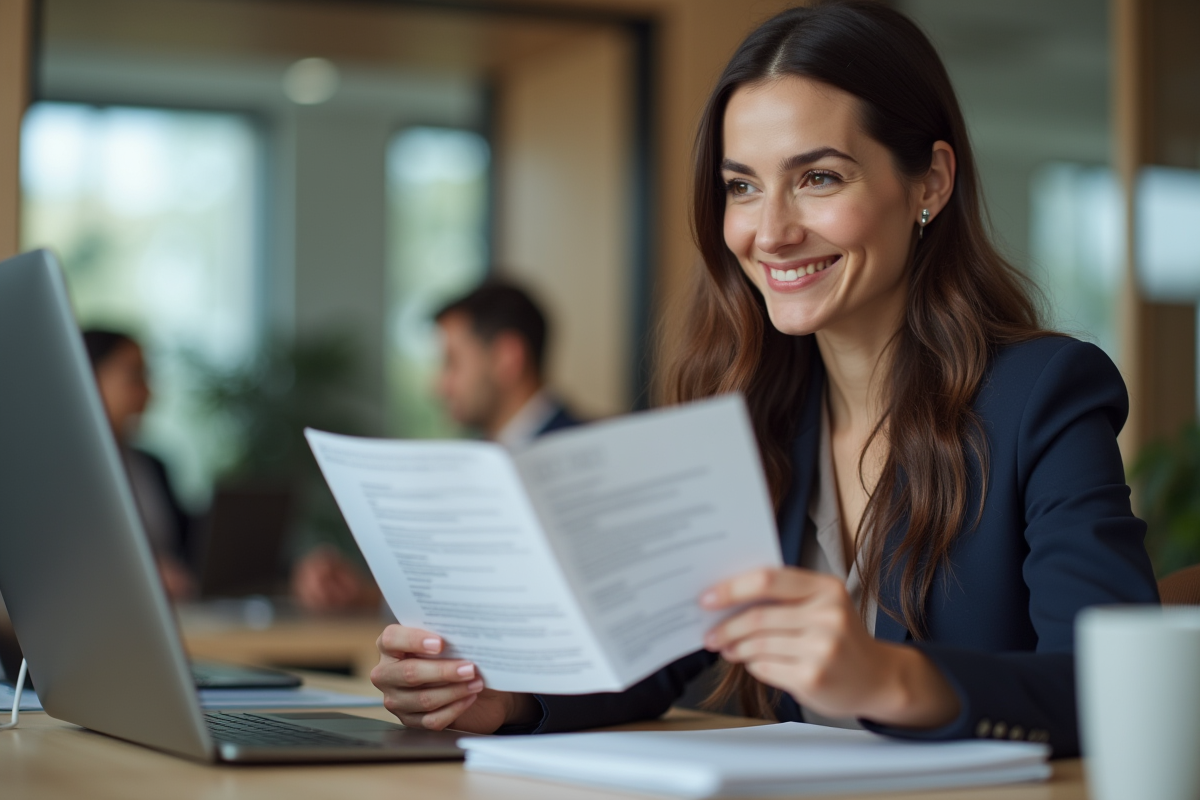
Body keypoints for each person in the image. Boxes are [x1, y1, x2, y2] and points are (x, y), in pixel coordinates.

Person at [367, 0, 1159, 755]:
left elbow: (1109, 688)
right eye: (742, 186)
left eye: (819, 178)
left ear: (930, 182)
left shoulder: (1043, 395)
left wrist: (889, 677)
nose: (771, 233)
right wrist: (506, 699)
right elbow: (655, 655)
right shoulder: (751, 410)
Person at [292, 281, 580, 611]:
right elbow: (468, 594)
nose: (438, 386)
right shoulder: (466, 468)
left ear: (507, 357)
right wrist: (363, 594)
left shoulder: (589, 458)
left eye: (452, 362)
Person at [83, 329, 195, 601]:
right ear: (87, 379)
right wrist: (136, 574)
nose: (148, 392)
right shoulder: (50, 476)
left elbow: (190, 545)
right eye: (135, 377)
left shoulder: (152, 466)